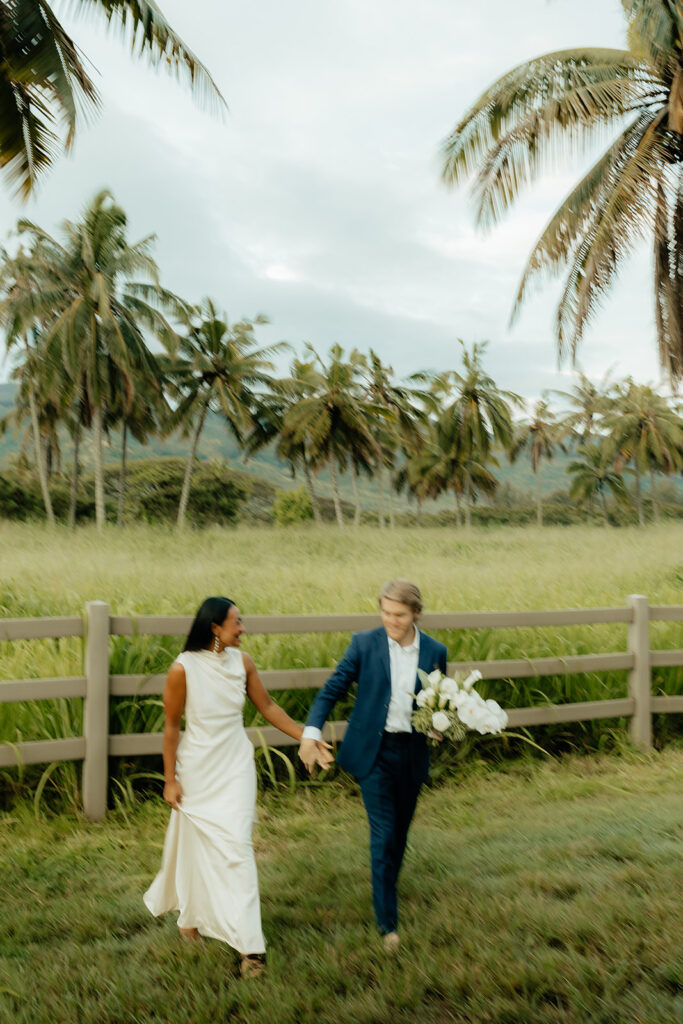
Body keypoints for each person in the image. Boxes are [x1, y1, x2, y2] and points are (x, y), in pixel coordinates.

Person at [143, 596, 332, 978]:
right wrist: (170, 779)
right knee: (195, 843)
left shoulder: (243, 663)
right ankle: (190, 919)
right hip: (197, 770)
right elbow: (171, 728)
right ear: (214, 628)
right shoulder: (183, 669)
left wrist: (307, 737)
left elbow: (269, 707)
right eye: (236, 622)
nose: (243, 628)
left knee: (239, 849)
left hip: (235, 767)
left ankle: (250, 949)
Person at [298, 579, 447, 952]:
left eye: (398, 614)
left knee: (400, 833)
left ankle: (388, 886)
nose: (390, 620)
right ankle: (387, 924)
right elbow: (332, 689)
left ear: (416, 613)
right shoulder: (363, 644)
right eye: (385, 612)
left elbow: (438, 697)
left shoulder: (435, 650)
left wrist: (439, 726)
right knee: (382, 834)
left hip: (411, 752)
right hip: (373, 753)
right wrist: (311, 730)